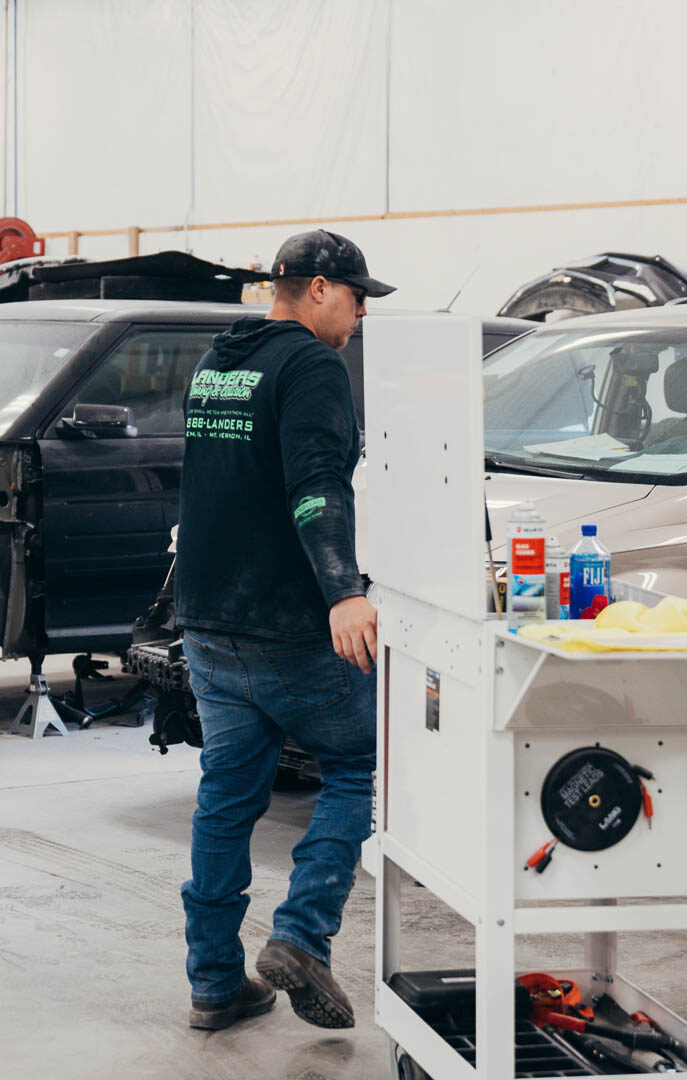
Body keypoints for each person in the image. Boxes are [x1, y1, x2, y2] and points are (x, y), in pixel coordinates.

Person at [174, 229, 394, 1031]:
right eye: (358, 296)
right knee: (357, 766)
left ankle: (213, 982)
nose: (362, 313)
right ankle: (301, 936)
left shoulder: (219, 361)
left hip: (207, 618)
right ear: (319, 290)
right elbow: (316, 486)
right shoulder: (310, 365)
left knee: (227, 798)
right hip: (287, 621)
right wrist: (343, 591)